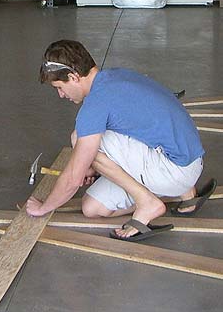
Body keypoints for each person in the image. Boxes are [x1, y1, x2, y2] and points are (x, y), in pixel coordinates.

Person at [26, 39, 216, 241]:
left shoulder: (95, 106)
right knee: (92, 208)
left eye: (59, 87)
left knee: (80, 138)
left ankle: (147, 203)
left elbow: (73, 178)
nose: (61, 94)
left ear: (73, 77)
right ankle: (186, 195)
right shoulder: (115, 76)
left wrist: (44, 208)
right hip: (189, 161)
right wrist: (94, 167)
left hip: (174, 170)